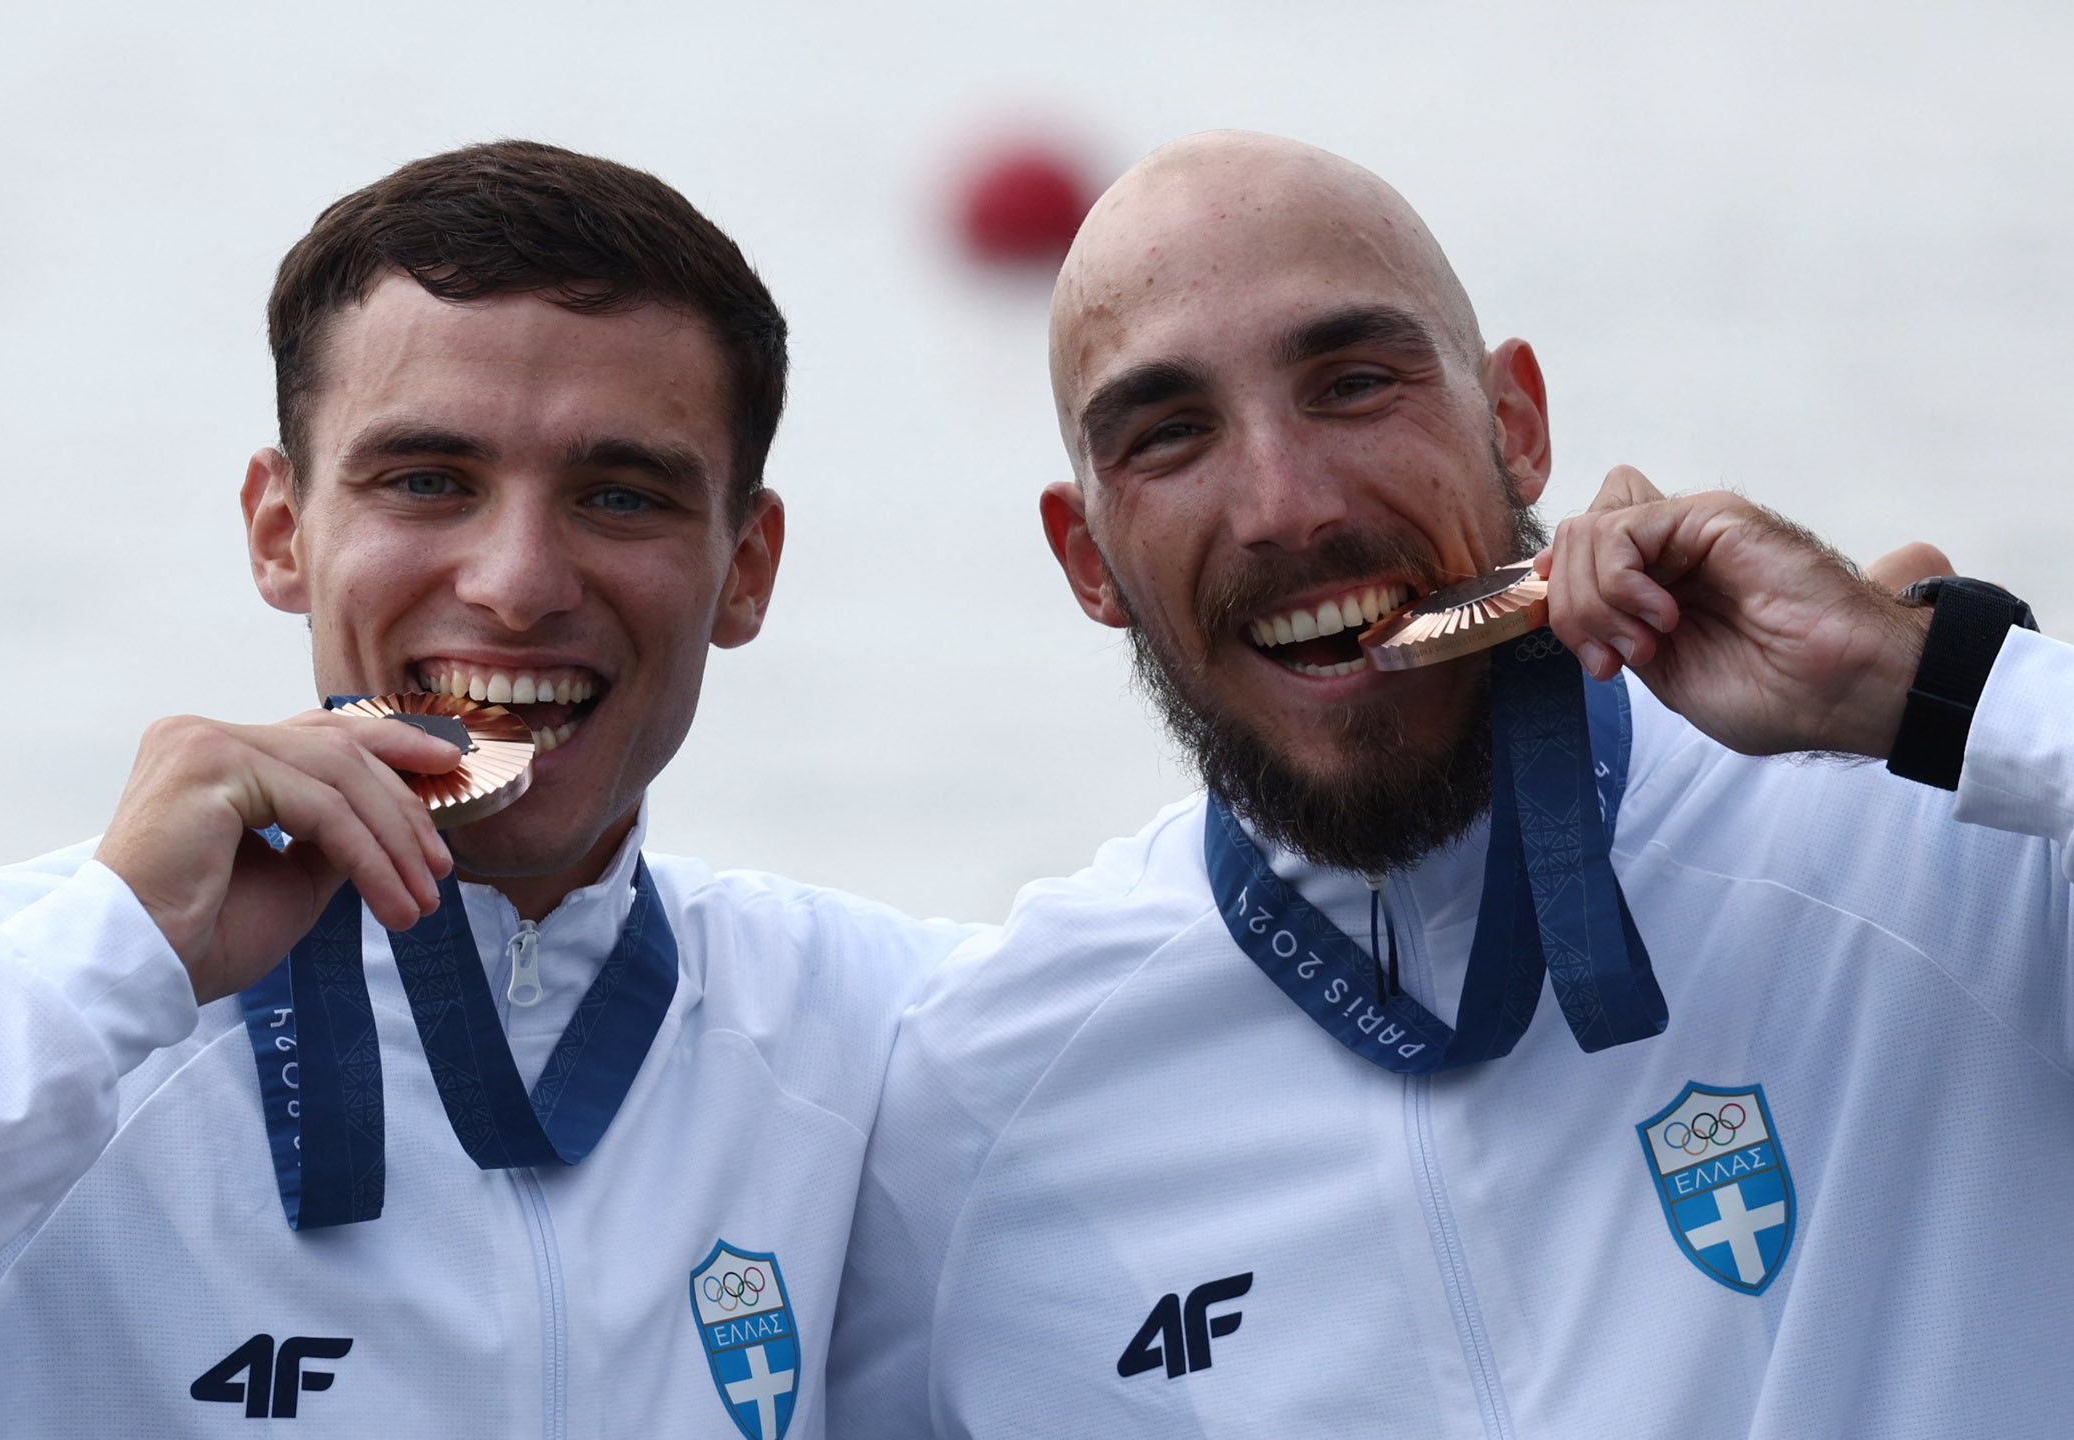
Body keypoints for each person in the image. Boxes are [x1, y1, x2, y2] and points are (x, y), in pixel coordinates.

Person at [828, 131, 2074, 1437]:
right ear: (1087, 559)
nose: (1285, 505)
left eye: (1353, 385)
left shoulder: (1935, 843)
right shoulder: (981, 1102)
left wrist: (1917, 685)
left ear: (1515, 427)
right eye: (1171, 434)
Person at [0, 142, 975, 1437]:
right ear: (280, 532)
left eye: (620, 497)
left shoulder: (892, 1035)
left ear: (745, 569)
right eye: (426, 482)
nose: (517, 585)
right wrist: (117, 954)